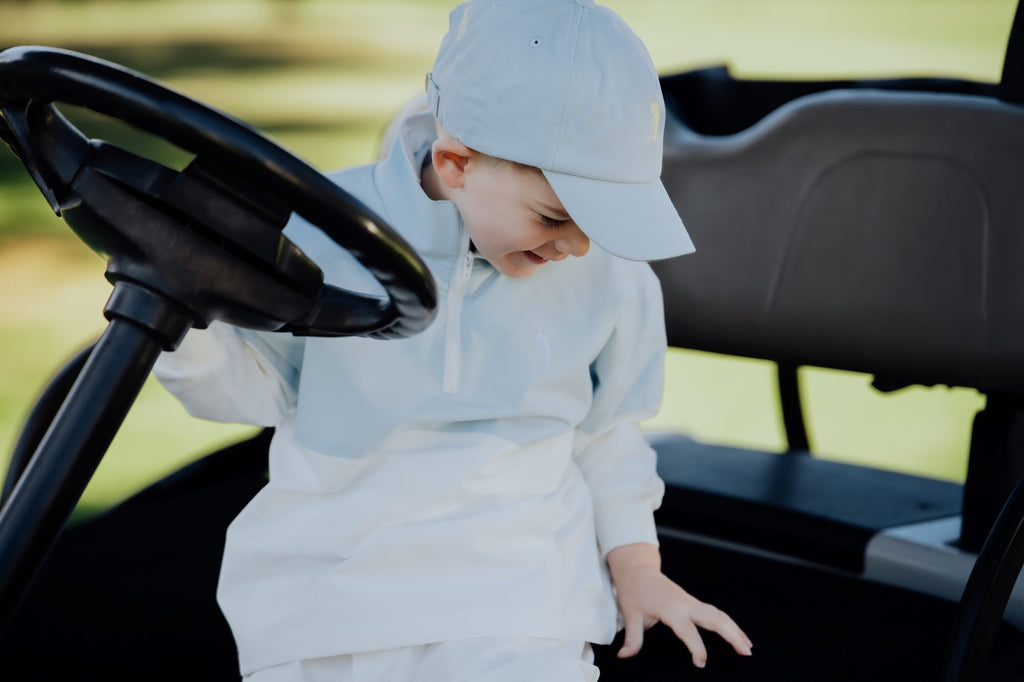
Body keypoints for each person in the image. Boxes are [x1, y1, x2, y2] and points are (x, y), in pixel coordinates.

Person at [153, 0, 753, 679]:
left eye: (600, 220)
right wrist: (182, 320)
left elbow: (609, 434)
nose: (579, 245)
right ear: (456, 162)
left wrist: (638, 568)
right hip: (325, 596)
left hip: (517, 600)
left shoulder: (609, 273)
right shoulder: (319, 241)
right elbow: (249, 388)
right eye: (557, 215)